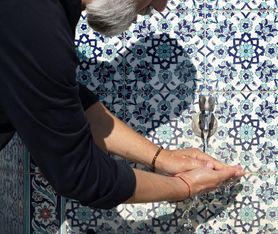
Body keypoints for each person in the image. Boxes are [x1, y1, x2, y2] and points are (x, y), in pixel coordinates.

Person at [0, 0, 245, 209]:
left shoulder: (39, 13)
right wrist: (185, 186)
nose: (161, 6)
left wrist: (162, 158)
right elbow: (80, 175)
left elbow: (60, 99)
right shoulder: (36, 21)